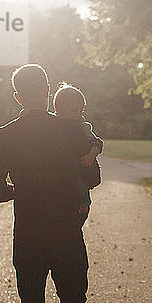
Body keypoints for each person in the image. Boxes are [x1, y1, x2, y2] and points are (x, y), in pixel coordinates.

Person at [0, 64, 100, 303]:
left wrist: (20, 190)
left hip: (28, 235)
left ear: (18, 96)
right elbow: (92, 178)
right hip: (66, 232)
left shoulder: (4, 135)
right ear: (49, 92)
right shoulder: (69, 130)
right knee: (74, 299)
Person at [52, 83, 103, 226]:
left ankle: (83, 205)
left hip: (80, 169)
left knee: (80, 184)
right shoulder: (52, 124)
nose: (79, 115)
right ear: (59, 111)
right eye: (74, 111)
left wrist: (91, 156)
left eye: (81, 111)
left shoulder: (82, 126)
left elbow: (97, 143)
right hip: (62, 173)